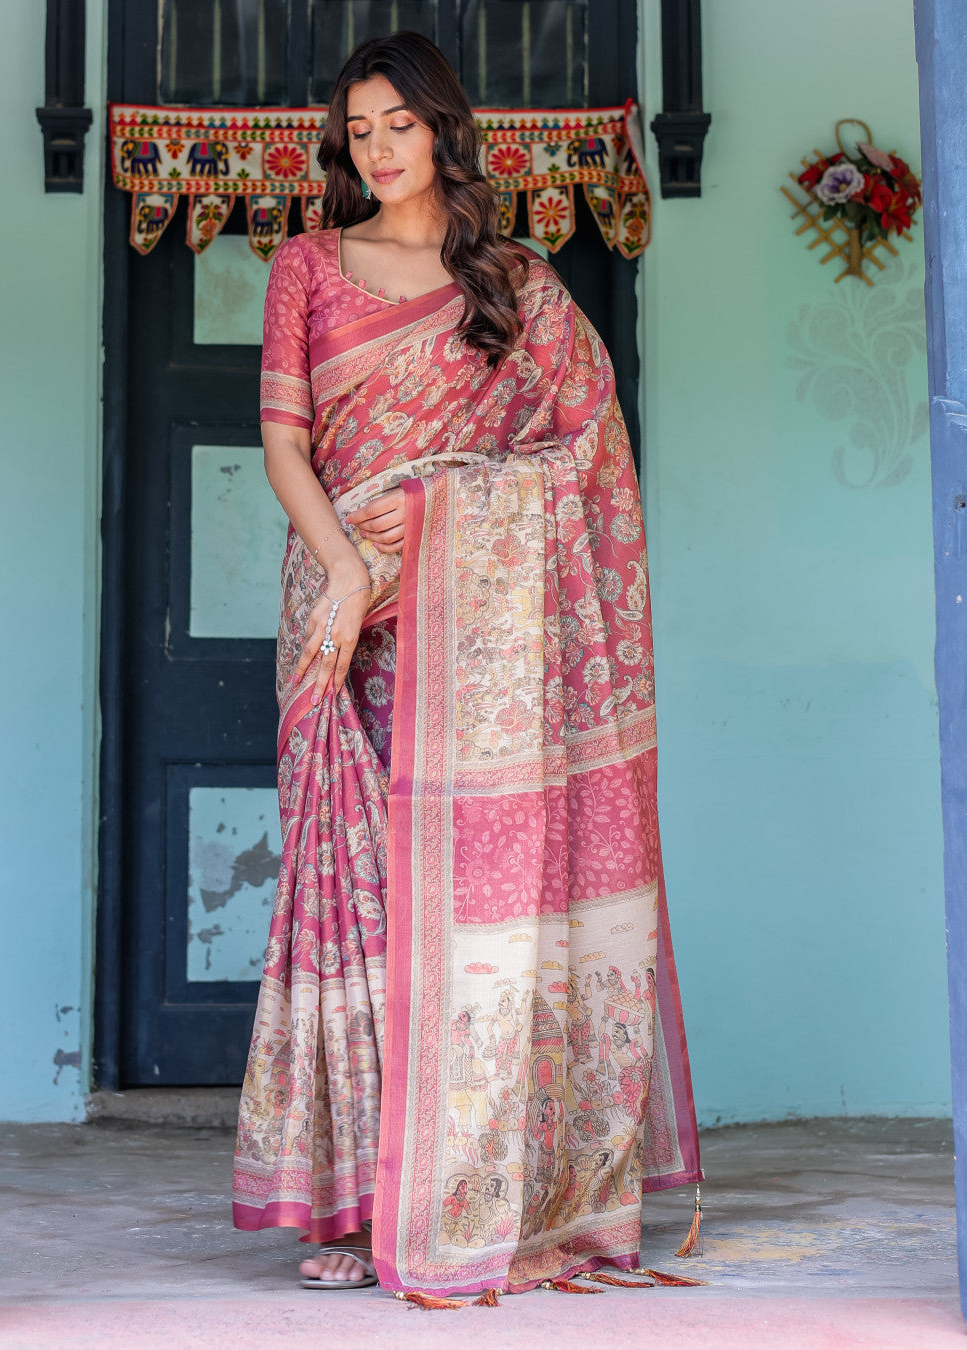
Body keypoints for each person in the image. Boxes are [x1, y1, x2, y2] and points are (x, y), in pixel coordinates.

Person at [232, 30, 701, 1297]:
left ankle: (479, 1189)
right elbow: (285, 449)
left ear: (444, 129)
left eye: (400, 124)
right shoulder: (306, 266)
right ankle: (355, 1207)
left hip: (478, 637)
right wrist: (347, 569)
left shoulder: (517, 283)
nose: (379, 149)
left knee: (472, 907)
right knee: (358, 903)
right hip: (344, 618)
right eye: (359, 130)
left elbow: (585, 453)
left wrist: (439, 517)